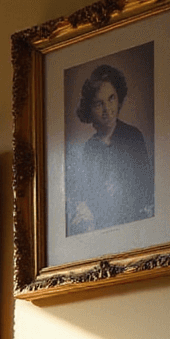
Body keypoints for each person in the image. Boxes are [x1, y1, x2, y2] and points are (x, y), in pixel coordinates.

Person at [67, 63, 153, 234]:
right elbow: (87, 194)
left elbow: (146, 187)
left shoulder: (132, 136)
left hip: (134, 225)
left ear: (119, 97)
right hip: (101, 229)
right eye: (99, 104)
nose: (107, 109)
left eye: (111, 98)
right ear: (90, 109)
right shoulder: (89, 148)